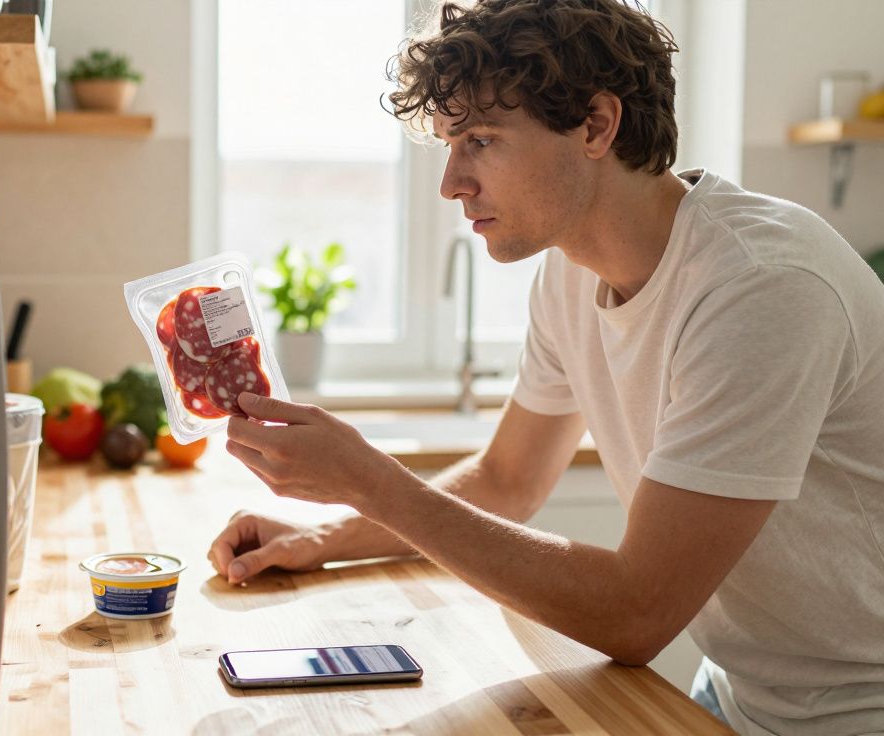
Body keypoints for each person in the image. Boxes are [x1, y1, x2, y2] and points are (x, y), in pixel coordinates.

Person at [206, 1, 884, 733]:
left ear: (596, 124)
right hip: (740, 691)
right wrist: (322, 537)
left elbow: (637, 611)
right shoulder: (569, 275)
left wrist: (371, 482)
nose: (451, 183)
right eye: (448, 144)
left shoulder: (763, 288)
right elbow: (508, 480)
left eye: (482, 140)